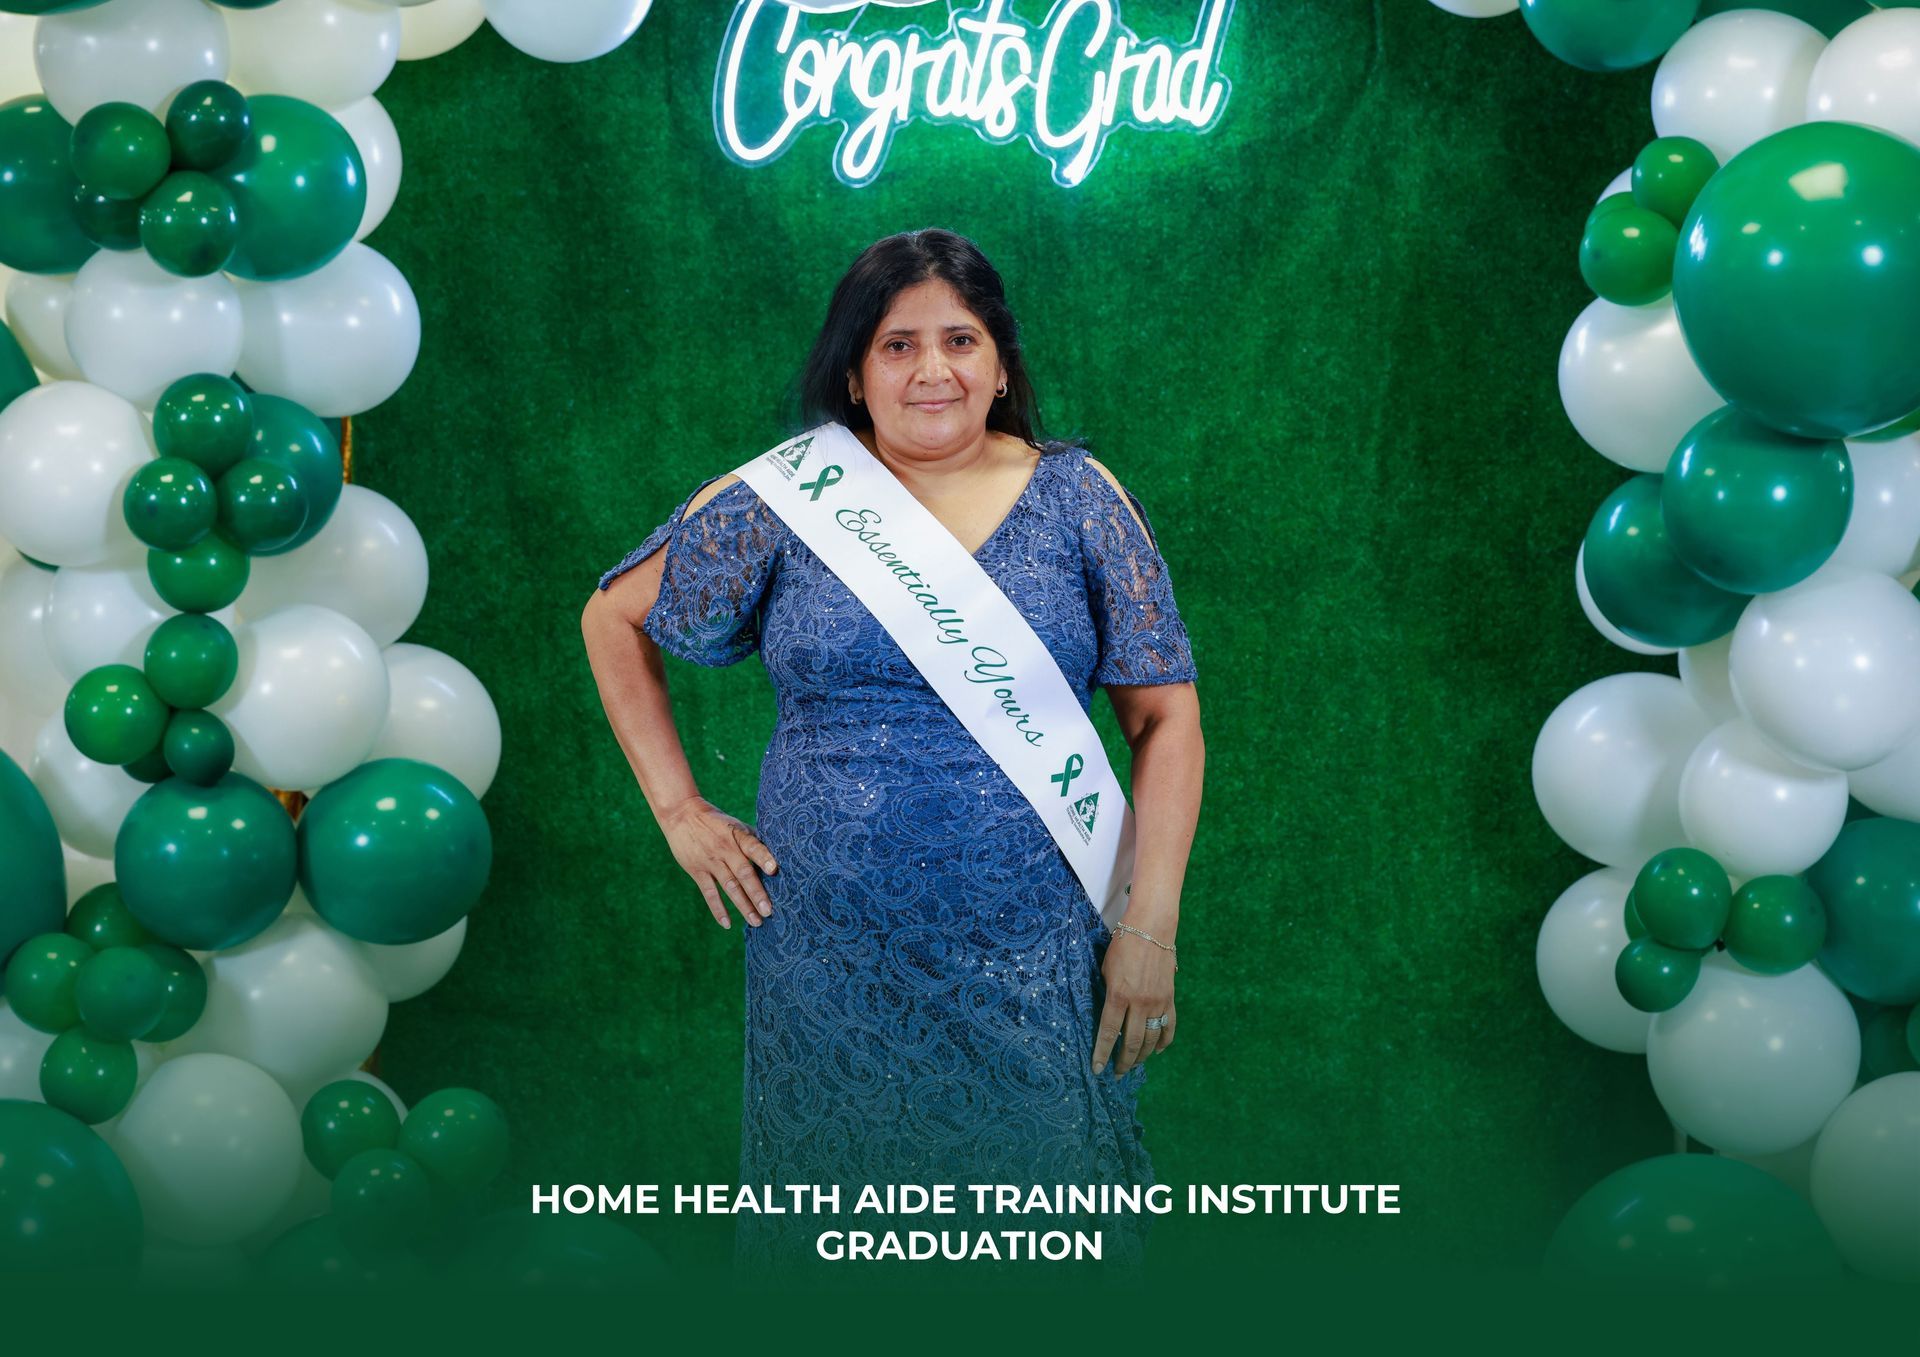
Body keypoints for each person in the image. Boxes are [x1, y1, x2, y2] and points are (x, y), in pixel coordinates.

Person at [580, 228, 1204, 1283]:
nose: (933, 370)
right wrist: (679, 809)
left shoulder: (1082, 497)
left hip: (1039, 961)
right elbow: (613, 615)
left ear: (1001, 364)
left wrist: (1152, 927)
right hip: (827, 960)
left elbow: (1166, 722)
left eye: (960, 339)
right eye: (897, 344)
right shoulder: (786, 499)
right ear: (856, 376)